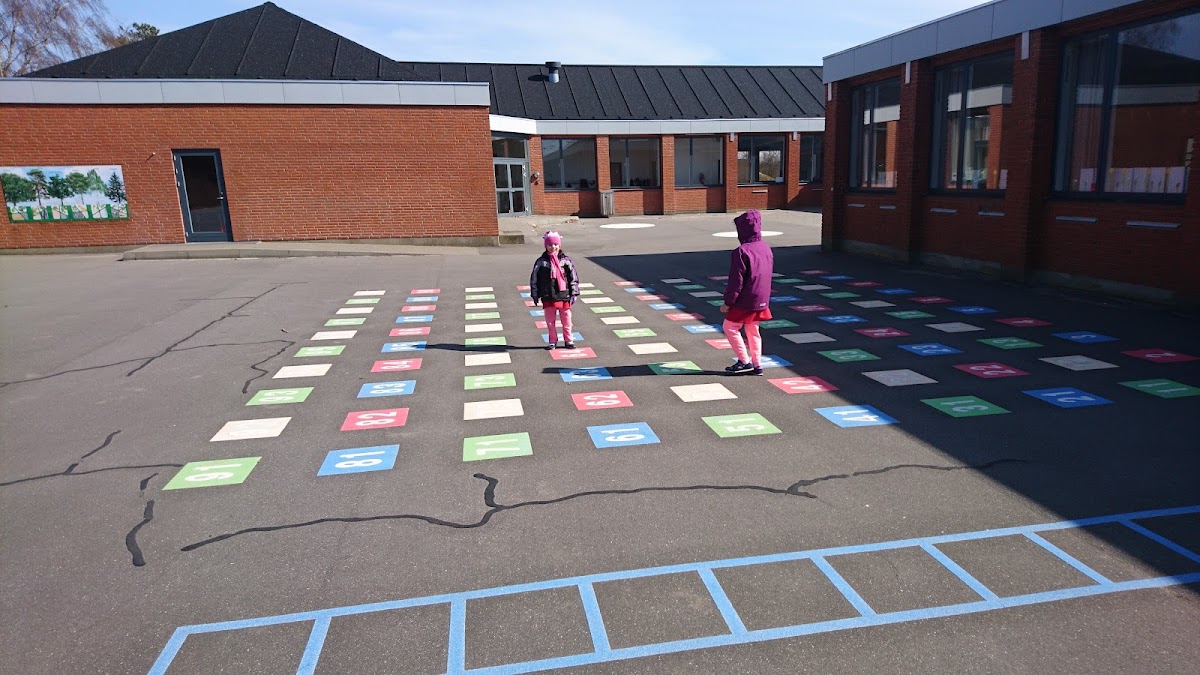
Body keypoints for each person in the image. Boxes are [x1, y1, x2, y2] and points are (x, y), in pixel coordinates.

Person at [720, 209, 774, 375]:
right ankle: (758, 364)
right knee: (753, 330)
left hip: (746, 299)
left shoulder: (741, 251)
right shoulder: (765, 248)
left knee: (730, 327)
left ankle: (744, 361)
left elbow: (736, 281)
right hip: (761, 297)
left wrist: (728, 302)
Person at [530, 230, 580, 349]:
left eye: (556, 244)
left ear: (559, 245)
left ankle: (569, 340)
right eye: (550, 245)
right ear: (546, 246)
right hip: (548, 295)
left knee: (566, 320)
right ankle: (552, 340)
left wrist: (574, 292)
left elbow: (573, 277)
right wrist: (535, 294)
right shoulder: (541, 262)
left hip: (564, 294)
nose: (553, 247)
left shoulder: (566, 261)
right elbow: (534, 278)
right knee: (550, 321)